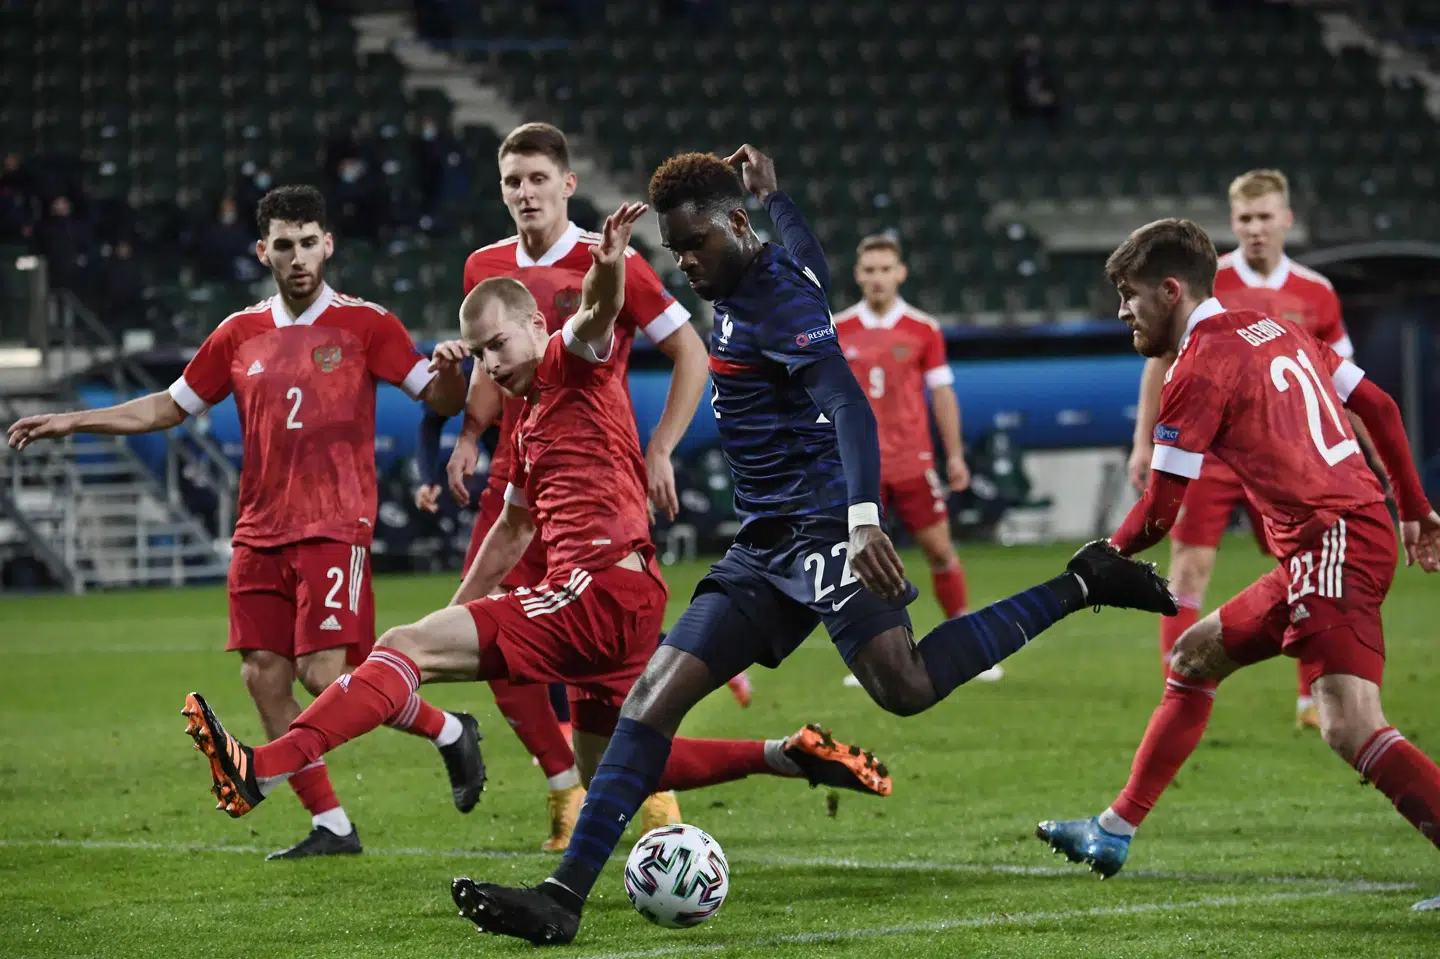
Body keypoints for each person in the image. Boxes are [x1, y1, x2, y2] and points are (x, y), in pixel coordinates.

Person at [448, 147, 1179, 946]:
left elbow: (846, 402)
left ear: (733, 225)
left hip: (825, 524)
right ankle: (563, 897)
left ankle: (1080, 581)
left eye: (696, 244)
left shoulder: (769, 297)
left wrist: (863, 517)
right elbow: (813, 263)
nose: (687, 262)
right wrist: (777, 195)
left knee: (903, 685)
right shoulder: (756, 269)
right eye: (676, 249)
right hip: (764, 540)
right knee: (652, 697)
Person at [178, 201, 893, 867]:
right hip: (620, 593)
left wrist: (608, 261)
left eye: (497, 346)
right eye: (479, 354)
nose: (491, 365)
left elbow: (596, 313)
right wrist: (456, 608)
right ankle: (787, 752)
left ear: (531, 327)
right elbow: (512, 529)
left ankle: (264, 770)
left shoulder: (566, 362)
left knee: (401, 647)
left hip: (597, 587)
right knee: (613, 761)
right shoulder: (523, 419)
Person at [8, 185, 483, 860]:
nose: (297, 256)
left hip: (333, 523)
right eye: (283, 244)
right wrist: (72, 419)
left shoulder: (367, 324)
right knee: (263, 676)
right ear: (263, 250)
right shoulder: (237, 334)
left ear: (328, 244)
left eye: (308, 241)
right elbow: (167, 407)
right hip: (259, 530)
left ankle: (448, 730)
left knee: (323, 675)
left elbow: (435, 395)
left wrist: (452, 375)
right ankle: (334, 827)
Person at [1035, 219, 1440, 910]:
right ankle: (1115, 826)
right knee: (1194, 656)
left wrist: (1103, 556)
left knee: (1349, 722)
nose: (1122, 312)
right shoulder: (1273, 326)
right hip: (1335, 536)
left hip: (1332, 538)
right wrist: (1412, 503)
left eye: (1130, 295)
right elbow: (1376, 401)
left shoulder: (1198, 368)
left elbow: (1160, 512)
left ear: (1171, 290)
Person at [439, 122, 748, 852]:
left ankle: (657, 800)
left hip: (594, 481)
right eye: (513, 180)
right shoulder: (484, 264)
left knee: (616, 654)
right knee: (493, 637)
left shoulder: (606, 259)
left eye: (538, 178)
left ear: (566, 184)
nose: (524, 193)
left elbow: (690, 351)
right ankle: (563, 791)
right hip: (519, 482)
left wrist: (661, 447)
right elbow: (492, 362)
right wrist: (471, 435)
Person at [1128, 170, 1374, 731]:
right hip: (1209, 452)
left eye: (1265, 218)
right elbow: (1160, 364)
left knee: (1306, 567)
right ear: (1232, 222)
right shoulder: (1204, 285)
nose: (1255, 229)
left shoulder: (1317, 293)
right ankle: (1179, 689)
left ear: (1287, 219)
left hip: (1290, 459)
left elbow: (1340, 386)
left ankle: (1313, 699)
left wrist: (1354, 453)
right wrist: (1144, 442)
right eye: (1245, 219)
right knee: (1187, 568)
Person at [834, 235, 991, 680]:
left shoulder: (924, 328)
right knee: (861, 560)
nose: (878, 278)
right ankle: (871, 657)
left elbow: (942, 394)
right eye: (870, 270)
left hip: (911, 461)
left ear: (900, 273)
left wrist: (954, 455)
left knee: (940, 550)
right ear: (858, 276)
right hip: (859, 466)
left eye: (886, 269)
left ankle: (967, 645)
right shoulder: (836, 328)